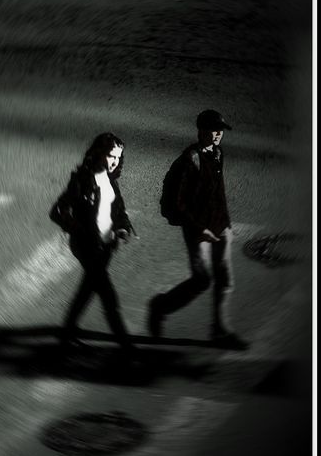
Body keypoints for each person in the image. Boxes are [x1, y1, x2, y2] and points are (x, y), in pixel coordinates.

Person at [147, 110, 248, 349]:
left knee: (224, 279)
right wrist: (200, 228)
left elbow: (217, 191)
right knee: (202, 280)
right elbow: (179, 203)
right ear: (200, 131)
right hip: (198, 229)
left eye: (221, 131)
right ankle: (160, 307)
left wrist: (226, 224)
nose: (218, 135)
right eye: (214, 130)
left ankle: (220, 330)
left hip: (220, 224)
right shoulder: (189, 160)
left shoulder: (218, 153)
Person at [50, 132, 137, 353]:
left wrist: (122, 229)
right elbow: (57, 211)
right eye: (111, 156)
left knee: (87, 290)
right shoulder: (82, 180)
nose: (115, 161)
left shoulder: (110, 181)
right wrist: (77, 229)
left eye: (118, 157)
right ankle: (126, 347)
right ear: (98, 153)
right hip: (87, 247)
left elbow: (119, 211)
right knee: (108, 296)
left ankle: (65, 336)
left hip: (105, 248)